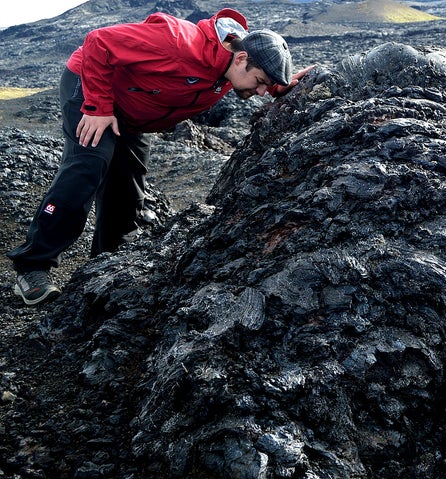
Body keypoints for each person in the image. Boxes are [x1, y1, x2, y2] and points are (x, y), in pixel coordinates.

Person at [7, 8, 313, 305]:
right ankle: (32, 267)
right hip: (92, 88)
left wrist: (278, 86)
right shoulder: (178, 42)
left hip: (132, 110)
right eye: (260, 82)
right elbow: (98, 42)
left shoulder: (234, 64)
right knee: (88, 167)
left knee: (127, 188)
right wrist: (99, 107)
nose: (261, 91)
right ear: (242, 58)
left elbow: (257, 76)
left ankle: (104, 266)